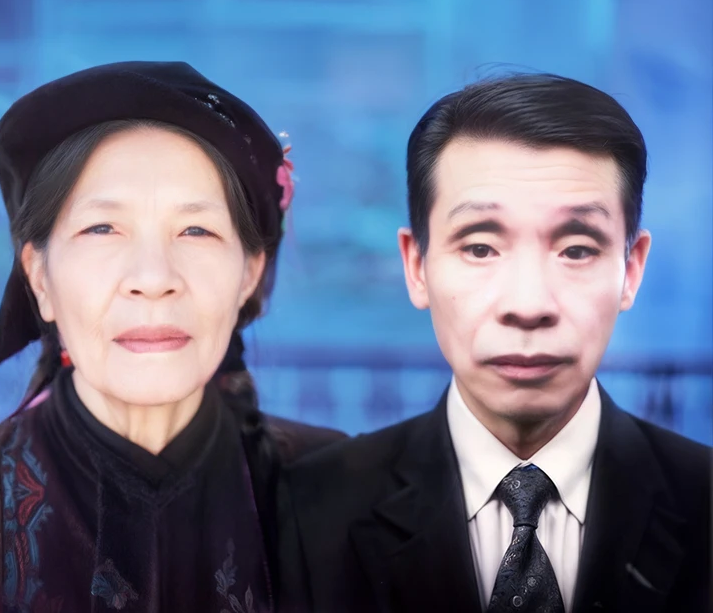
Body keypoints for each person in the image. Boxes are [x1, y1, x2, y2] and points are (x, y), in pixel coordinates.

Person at [282, 74, 711, 613]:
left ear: (631, 268)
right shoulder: (306, 509)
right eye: (480, 247)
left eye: (577, 249)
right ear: (416, 266)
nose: (528, 305)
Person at [0, 61, 344, 612]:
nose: (154, 280)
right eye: (102, 228)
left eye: (196, 229)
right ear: (40, 277)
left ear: (249, 274)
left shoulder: (344, 497)